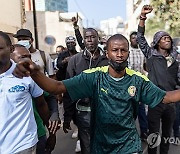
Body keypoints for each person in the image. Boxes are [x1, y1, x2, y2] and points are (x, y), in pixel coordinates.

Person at [13, 33, 180, 154]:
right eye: (115, 50)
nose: (119, 55)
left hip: (129, 146)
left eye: (123, 50)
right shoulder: (94, 77)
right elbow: (56, 87)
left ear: (128, 53)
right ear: (107, 53)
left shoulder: (137, 80)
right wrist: (35, 72)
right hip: (101, 146)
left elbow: (166, 97)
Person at [137, 5, 179, 154]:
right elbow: (140, 38)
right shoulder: (151, 56)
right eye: (163, 38)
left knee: (167, 134)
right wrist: (143, 17)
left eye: (168, 37)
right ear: (157, 42)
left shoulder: (175, 59)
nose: (167, 39)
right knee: (154, 134)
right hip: (155, 102)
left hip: (171, 103)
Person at [13, 28, 60, 153]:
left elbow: (46, 99)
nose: (28, 61)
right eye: (23, 57)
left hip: (34, 136)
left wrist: (52, 132)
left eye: (29, 57)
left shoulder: (31, 78)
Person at [63, 28, 108, 154]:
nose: (90, 40)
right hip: (83, 113)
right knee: (87, 148)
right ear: (83, 40)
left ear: (98, 39)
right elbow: (68, 89)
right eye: (87, 37)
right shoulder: (75, 61)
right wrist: (68, 116)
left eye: (93, 37)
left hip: (105, 112)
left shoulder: (107, 60)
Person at [0, 31, 45, 153]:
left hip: (23, 146)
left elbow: (42, 103)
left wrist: (48, 131)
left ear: (11, 49)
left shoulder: (26, 73)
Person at [128, 31, 148, 141]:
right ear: (130, 40)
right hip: (129, 85)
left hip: (141, 84)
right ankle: (130, 134)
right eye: (133, 38)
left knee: (141, 110)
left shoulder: (142, 52)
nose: (135, 39)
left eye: (137, 38)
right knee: (130, 110)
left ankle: (144, 132)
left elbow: (145, 66)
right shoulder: (127, 51)